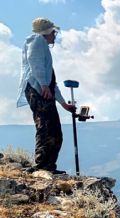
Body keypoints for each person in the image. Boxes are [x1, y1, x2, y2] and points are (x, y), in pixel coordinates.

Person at [16, 17, 75, 174]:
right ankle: (43, 166)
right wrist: (42, 84)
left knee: (52, 129)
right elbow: (34, 63)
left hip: (39, 89)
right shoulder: (37, 42)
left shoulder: (40, 45)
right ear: (47, 32)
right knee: (47, 128)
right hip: (37, 90)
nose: (55, 35)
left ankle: (47, 166)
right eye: (53, 32)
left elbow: (51, 83)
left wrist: (63, 104)